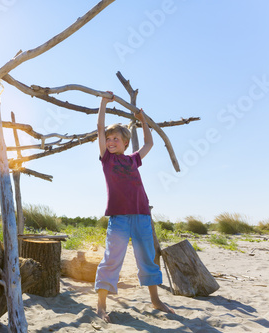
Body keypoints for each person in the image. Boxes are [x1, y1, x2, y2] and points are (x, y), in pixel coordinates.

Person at [95, 92, 174, 323]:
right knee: (111, 260)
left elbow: (149, 142)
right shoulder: (107, 160)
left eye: (115, 139)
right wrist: (102, 104)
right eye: (108, 139)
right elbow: (99, 128)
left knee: (147, 258)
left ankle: (155, 300)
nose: (110, 142)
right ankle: (100, 306)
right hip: (118, 218)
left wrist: (143, 120)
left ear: (126, 142)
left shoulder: (133, 160)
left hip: (141, 216)